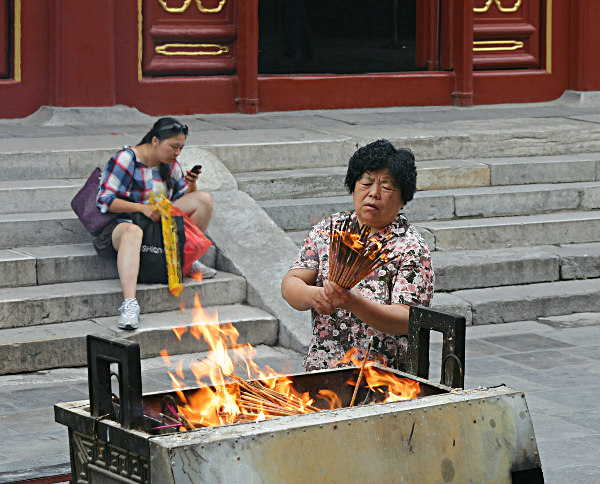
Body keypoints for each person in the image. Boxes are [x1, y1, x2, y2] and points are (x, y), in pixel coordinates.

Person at [281, 139, 434, 371]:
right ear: (354, 186)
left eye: (387, 186)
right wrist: (317, 296)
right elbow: (291, 283)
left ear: (403, 199)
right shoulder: (329, 230)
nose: (374, 193)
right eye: (366, 182)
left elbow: (407, 318)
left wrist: (355, 303)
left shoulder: (410, 247)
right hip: (325, 368)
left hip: (383, 375)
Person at [94, 117, 216, 330]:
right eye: (174, 147)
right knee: (133, 231)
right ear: (155, 141)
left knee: (203, 199)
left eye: (181, 148)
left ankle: (184, 261)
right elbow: (105, 201)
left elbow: (181, 198)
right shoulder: (126, 159)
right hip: (124, 226)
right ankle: (130, 304)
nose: (177, 153)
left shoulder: (170, 165)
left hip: (159, 226)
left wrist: (192, 185)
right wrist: (141, 208)